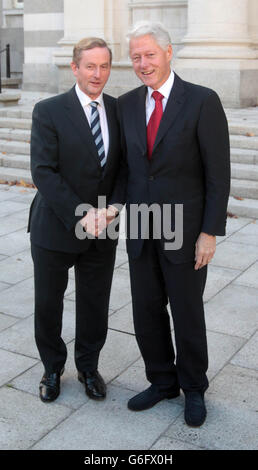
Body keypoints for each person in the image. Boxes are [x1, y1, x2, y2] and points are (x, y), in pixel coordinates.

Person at [108, 22, 230, 427]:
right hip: (142, 226)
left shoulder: (201, 101)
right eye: (136, 57)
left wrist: (209, 232)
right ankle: (162, 381)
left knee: (186, 309)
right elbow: (125, 167)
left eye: (150, 55)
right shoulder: (125, 104)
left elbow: (218, 174)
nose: (143, 64)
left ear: (168, 52)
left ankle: (194, 385)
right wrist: (111, 207)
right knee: (146, 309)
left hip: (185, 227)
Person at [28, 37, 120, 403]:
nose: (97, 74)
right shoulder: (48, 110)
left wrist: (111, 209)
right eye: (90, 66)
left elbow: (126, 168)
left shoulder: (118, 109)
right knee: (48, 303)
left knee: (95, 302)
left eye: (104, 66)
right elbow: (44, 171)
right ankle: (52, 368)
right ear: (75, 68)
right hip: (57, 224)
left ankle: (88, 366)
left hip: (105, 225)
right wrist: (83, 215)